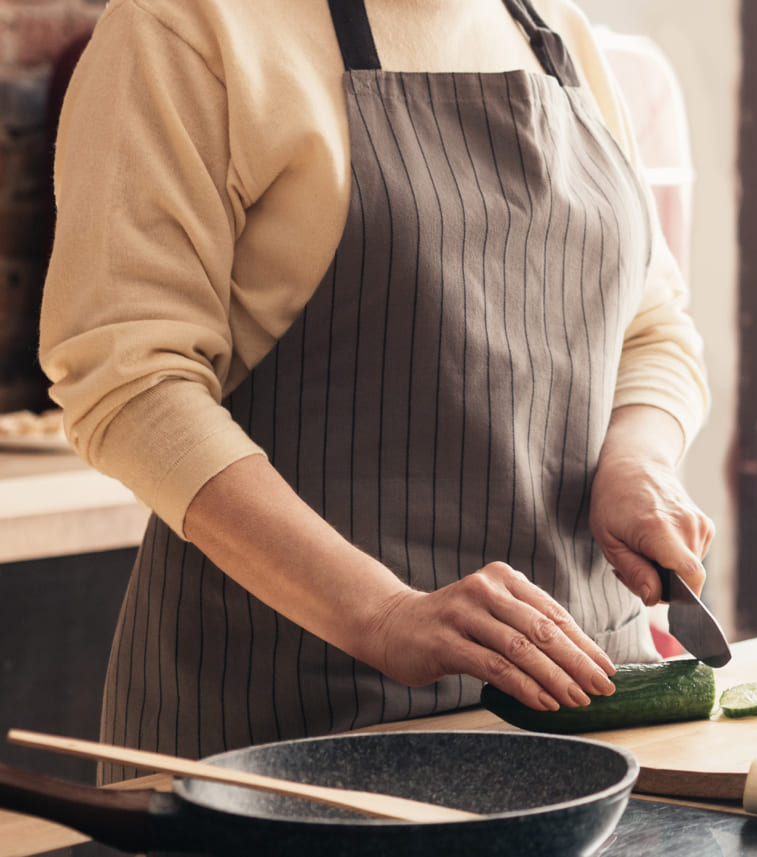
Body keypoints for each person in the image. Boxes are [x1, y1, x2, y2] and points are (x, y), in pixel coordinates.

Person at [39, 0, 712, 783]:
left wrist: (638, 459)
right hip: (285, 740)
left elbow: (652, 324)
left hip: (589, 723)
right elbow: (131, 381)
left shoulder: (553, 30)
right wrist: (383, 613)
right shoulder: (187, 25)